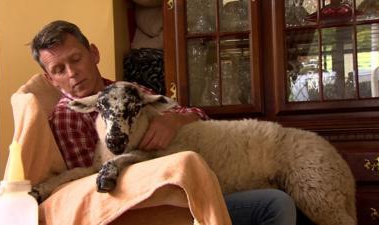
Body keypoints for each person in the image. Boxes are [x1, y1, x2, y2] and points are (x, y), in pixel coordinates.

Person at [30, 20, 297, 225]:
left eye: (76, 59)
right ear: (51, 80)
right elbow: (90, 190)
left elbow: (197, 114)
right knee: (275, 204)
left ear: (94, 53)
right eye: (58, 70)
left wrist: (173, 120)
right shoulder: (69, 116)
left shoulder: (128, 91)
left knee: (281, 188)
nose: (72, 72)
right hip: (152, 205)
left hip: (189, 182)